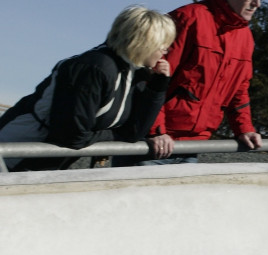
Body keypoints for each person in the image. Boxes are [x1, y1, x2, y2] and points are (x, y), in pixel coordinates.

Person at [0, 5, 175, 172]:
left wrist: (157, 87)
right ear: (144, 43)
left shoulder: (135, 72)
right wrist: (117, 137)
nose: (166, 51)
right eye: (162, 45)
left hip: (43, 163)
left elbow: (135, 132)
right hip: (13, 154)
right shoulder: (94, 68)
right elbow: (71, 135)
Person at [112, 0, 263, 167]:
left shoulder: (245, 37)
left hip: (191, 146)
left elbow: (239, 89)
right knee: (135, 193)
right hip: (151, 144)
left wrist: (244, 129)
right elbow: (151, 76)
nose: (257, 4)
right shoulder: (188, 18)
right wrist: (155, 131)